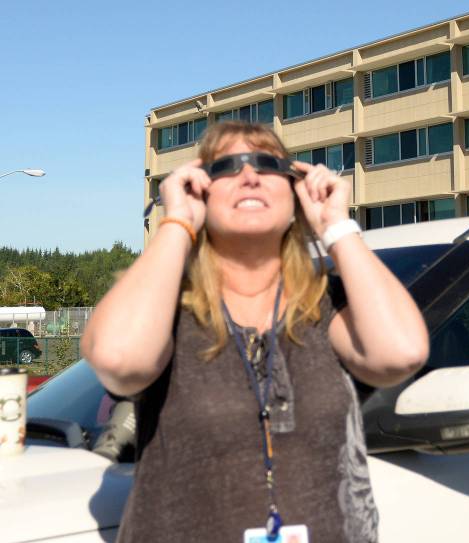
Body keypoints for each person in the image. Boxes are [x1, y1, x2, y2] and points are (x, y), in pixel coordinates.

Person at [82, 120, 429, 543]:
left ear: (295, 188)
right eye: (226, 167)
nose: (249, 176)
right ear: (198, 188)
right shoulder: (167, 309)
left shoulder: (326, 304)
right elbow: (120, 360)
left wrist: (335, 226)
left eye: (267, 165)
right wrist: (178, 222)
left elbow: (401, 353)